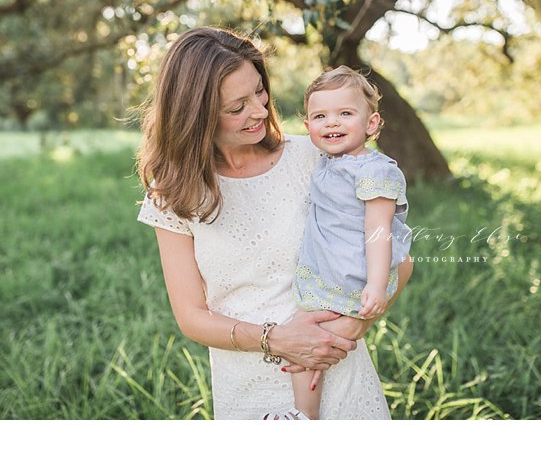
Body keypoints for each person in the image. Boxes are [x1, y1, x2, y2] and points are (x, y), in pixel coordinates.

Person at [136, 26, 413, 419]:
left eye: (259, 92)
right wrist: (277, 339)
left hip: (337, 369)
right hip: (246, 386)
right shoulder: (173, 196)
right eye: (237, 107)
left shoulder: (319, 159)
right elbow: (191, 317)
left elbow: (400, 259)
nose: (260, 111)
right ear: (195, 116)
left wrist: (352, 328)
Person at [286, 66, 413, 420]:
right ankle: (304, 415)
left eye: (345, 113)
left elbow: (379, 229)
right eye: (320, 116)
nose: (331, 122)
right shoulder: (329, 161)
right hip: (330, 270)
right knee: (306, 339)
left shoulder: (375, 171)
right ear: (308, 125)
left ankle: (302, 417)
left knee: (309, 341)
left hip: (357, 275)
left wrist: (376, 285)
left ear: (371, 124)